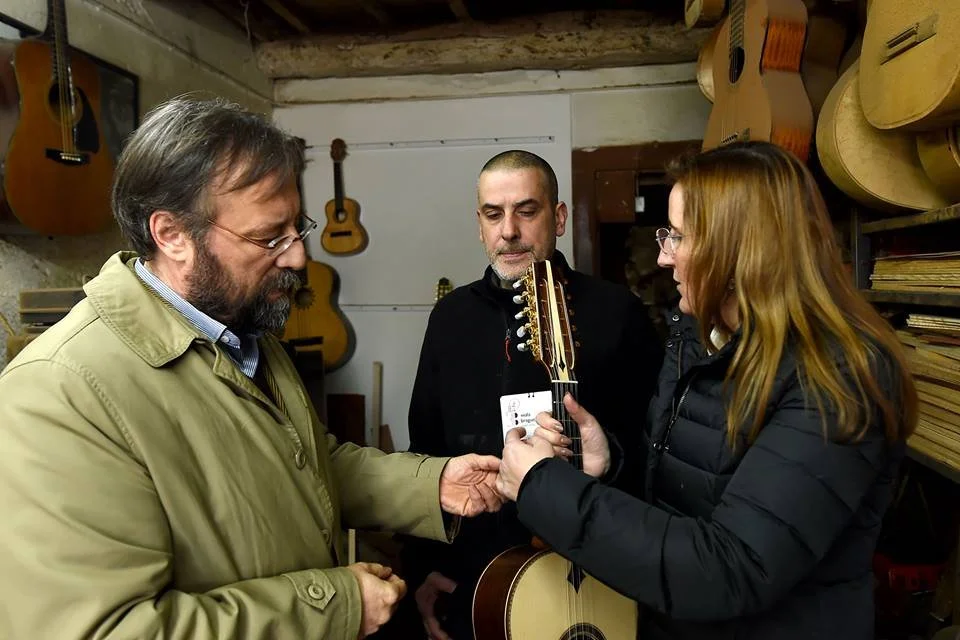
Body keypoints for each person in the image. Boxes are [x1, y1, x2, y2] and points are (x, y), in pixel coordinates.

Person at [0, 96, 505, 640]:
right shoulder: (57, 394)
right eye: (269, 238)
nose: (297, 258)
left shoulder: (239, 328)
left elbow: (301, 466)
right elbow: (108, 631)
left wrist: (433, 485)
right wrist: (337, 606)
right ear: (171, 235)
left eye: (298, 228)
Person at [496, 140, 918, 640]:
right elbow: (682, 506)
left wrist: (545, 485)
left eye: (677, 237)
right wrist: (609, 467)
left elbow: (728, 568)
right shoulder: (701, 342)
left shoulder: (838, 378)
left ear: (742, 250)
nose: (662, 257)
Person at [397, 150, 663, 639]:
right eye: (493, 214)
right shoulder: (450, 319)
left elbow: (654, 450)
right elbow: (424, 450)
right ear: (479, 224)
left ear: (558, 218)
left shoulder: (616, 311)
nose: (509, 231)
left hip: (600, 570)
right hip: (476, 572)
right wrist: (424, 567)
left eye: (527, 210)